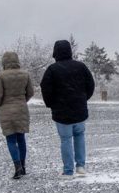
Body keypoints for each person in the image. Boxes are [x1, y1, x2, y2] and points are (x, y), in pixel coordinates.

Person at [39, 39, 95, 176]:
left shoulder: (52, 70)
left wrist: (51, 104)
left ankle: (68, 170)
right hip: (79, 109)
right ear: (70, 51)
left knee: (66, 140)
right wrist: (83, 99)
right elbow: (91, 85)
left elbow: (45, 88)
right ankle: (81, 166)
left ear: (55, 53)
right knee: (79, 136)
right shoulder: (81, 67)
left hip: (61, 111)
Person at [0, 51, 34, 180]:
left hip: (6, 110)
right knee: (21, 138)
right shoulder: (25, 74)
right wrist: (22, 100)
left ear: (4, 62)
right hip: (22, 108)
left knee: (11, 140)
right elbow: (31, 92)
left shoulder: (1, 76)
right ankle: (23, 166)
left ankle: (17, 167)